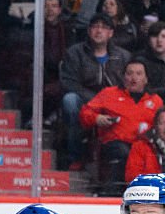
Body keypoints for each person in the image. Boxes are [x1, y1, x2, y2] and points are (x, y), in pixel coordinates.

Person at [80, 57, 162, 194]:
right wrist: (97, 118)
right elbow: (85, 112)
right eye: (129, 73)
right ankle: (112, 192)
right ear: (123, 77)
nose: (133, 77)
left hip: (145, 146)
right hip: (115, 144)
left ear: (146, 79)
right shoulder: (109, 94)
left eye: (138, 73)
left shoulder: (155, 101)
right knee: (123, 153)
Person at [60, 13, 130, 170]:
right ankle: (75, 156)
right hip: (85, 100)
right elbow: (69, 82)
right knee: (70, 100)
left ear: (111, 33)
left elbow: (129, 84)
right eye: (95, 27)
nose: (99, 31)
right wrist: (96, 102)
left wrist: (111, 103)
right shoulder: (75, 52)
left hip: (115, 102)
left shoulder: (123, 56)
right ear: (88, 30)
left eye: (104, 27)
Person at [126, 107, 165, 179]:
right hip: (150, 188)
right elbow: (132, 177)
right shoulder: (140, 147)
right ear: (155, 126)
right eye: (162, 123)